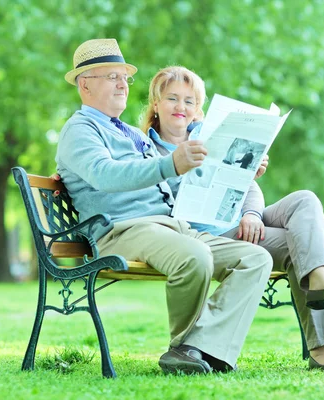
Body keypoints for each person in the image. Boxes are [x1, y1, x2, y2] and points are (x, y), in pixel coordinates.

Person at [55, 39, 274, 375]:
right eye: (112, 76)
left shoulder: (132, 134)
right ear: (85, 84)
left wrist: (240, 171)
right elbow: (103, 175)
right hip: (122, 230)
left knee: (255, 258)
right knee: (195, 257)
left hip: (171, 226)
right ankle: (185, 349)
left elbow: (175, 182)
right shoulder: (80, 130)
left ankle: (197, 349)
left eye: (124, 78)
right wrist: (171, 163)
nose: (122, 85)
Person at [141, 66, 324, 371]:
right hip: (208, 236)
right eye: (172, 99)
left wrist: (251, 206)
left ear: (197, 108)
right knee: (301, 246)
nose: (181, 107)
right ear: (156, 102)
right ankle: (323, 349)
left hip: (242, 223)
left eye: (189, 101)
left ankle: (321, 280)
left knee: (305, 201)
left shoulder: (211, 136)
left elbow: (250, 189)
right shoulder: (144, 149)